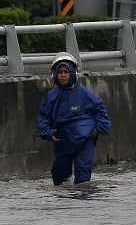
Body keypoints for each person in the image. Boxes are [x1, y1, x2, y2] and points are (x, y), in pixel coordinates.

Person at [36, 53, 111, 185]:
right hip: (62, 141)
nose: (63, 75)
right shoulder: (51, 96)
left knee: (82, 178)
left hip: (84, 141)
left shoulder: (85, 94)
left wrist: (98, 131)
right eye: (60, 72)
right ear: (55, 75)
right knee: (59, 178)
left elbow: (100, 111)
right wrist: (47, 132)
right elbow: (43, 117)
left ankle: (81, 203)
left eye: (66, 72)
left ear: (73, 73)